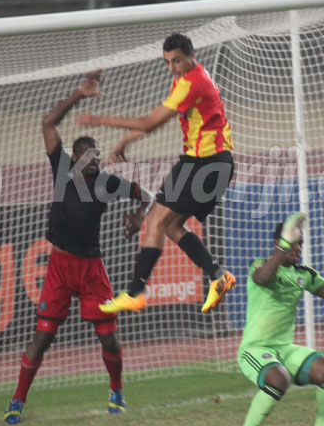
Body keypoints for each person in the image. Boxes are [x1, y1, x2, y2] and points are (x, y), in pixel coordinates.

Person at [4, 70, 154, 424]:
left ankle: (116, 389)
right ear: (75, 157)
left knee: (109, 341)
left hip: (90, 269)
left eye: (98, 155)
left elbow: (145, 195)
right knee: (41, 339)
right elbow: (47, 122)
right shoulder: (61, 169)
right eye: (89, 155)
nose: (97, 160)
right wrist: (79, 95)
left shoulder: (106, 182)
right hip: (59, 266)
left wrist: (138, 215)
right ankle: (17, 401)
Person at [74, 33, 236, 315]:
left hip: (205, 163)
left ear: (190, 56)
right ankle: (217, 274)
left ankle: (136, 292)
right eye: (168, 62)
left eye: (177, 61)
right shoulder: (189, 77)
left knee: (156, 220)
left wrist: (100, 120)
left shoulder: (191, 83)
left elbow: (149, 123)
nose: (172, 67)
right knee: (170, 226)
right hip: (207, 163)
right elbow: (158, 123)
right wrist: (125, 141)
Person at [232, 213, 324, 426]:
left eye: (300, 244)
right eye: (294, 243)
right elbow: (263, 278)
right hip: (254, 350)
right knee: (278, 378)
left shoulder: (303, 274)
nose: (298, 248)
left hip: (283, 350)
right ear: (280, 243)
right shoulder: (260, 266)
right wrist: (284, 246)